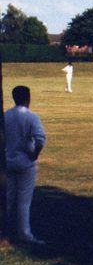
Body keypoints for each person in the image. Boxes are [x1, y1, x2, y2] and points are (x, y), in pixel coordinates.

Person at [4, 86, 47, 245]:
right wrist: (34, 154)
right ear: (28, 98)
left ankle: (5, 230)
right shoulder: (31, 117)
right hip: (25, 162)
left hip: (8, 160)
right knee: (24, 200)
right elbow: (40, 139)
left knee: (7, 198)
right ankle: (24, 233)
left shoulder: (6, 115)